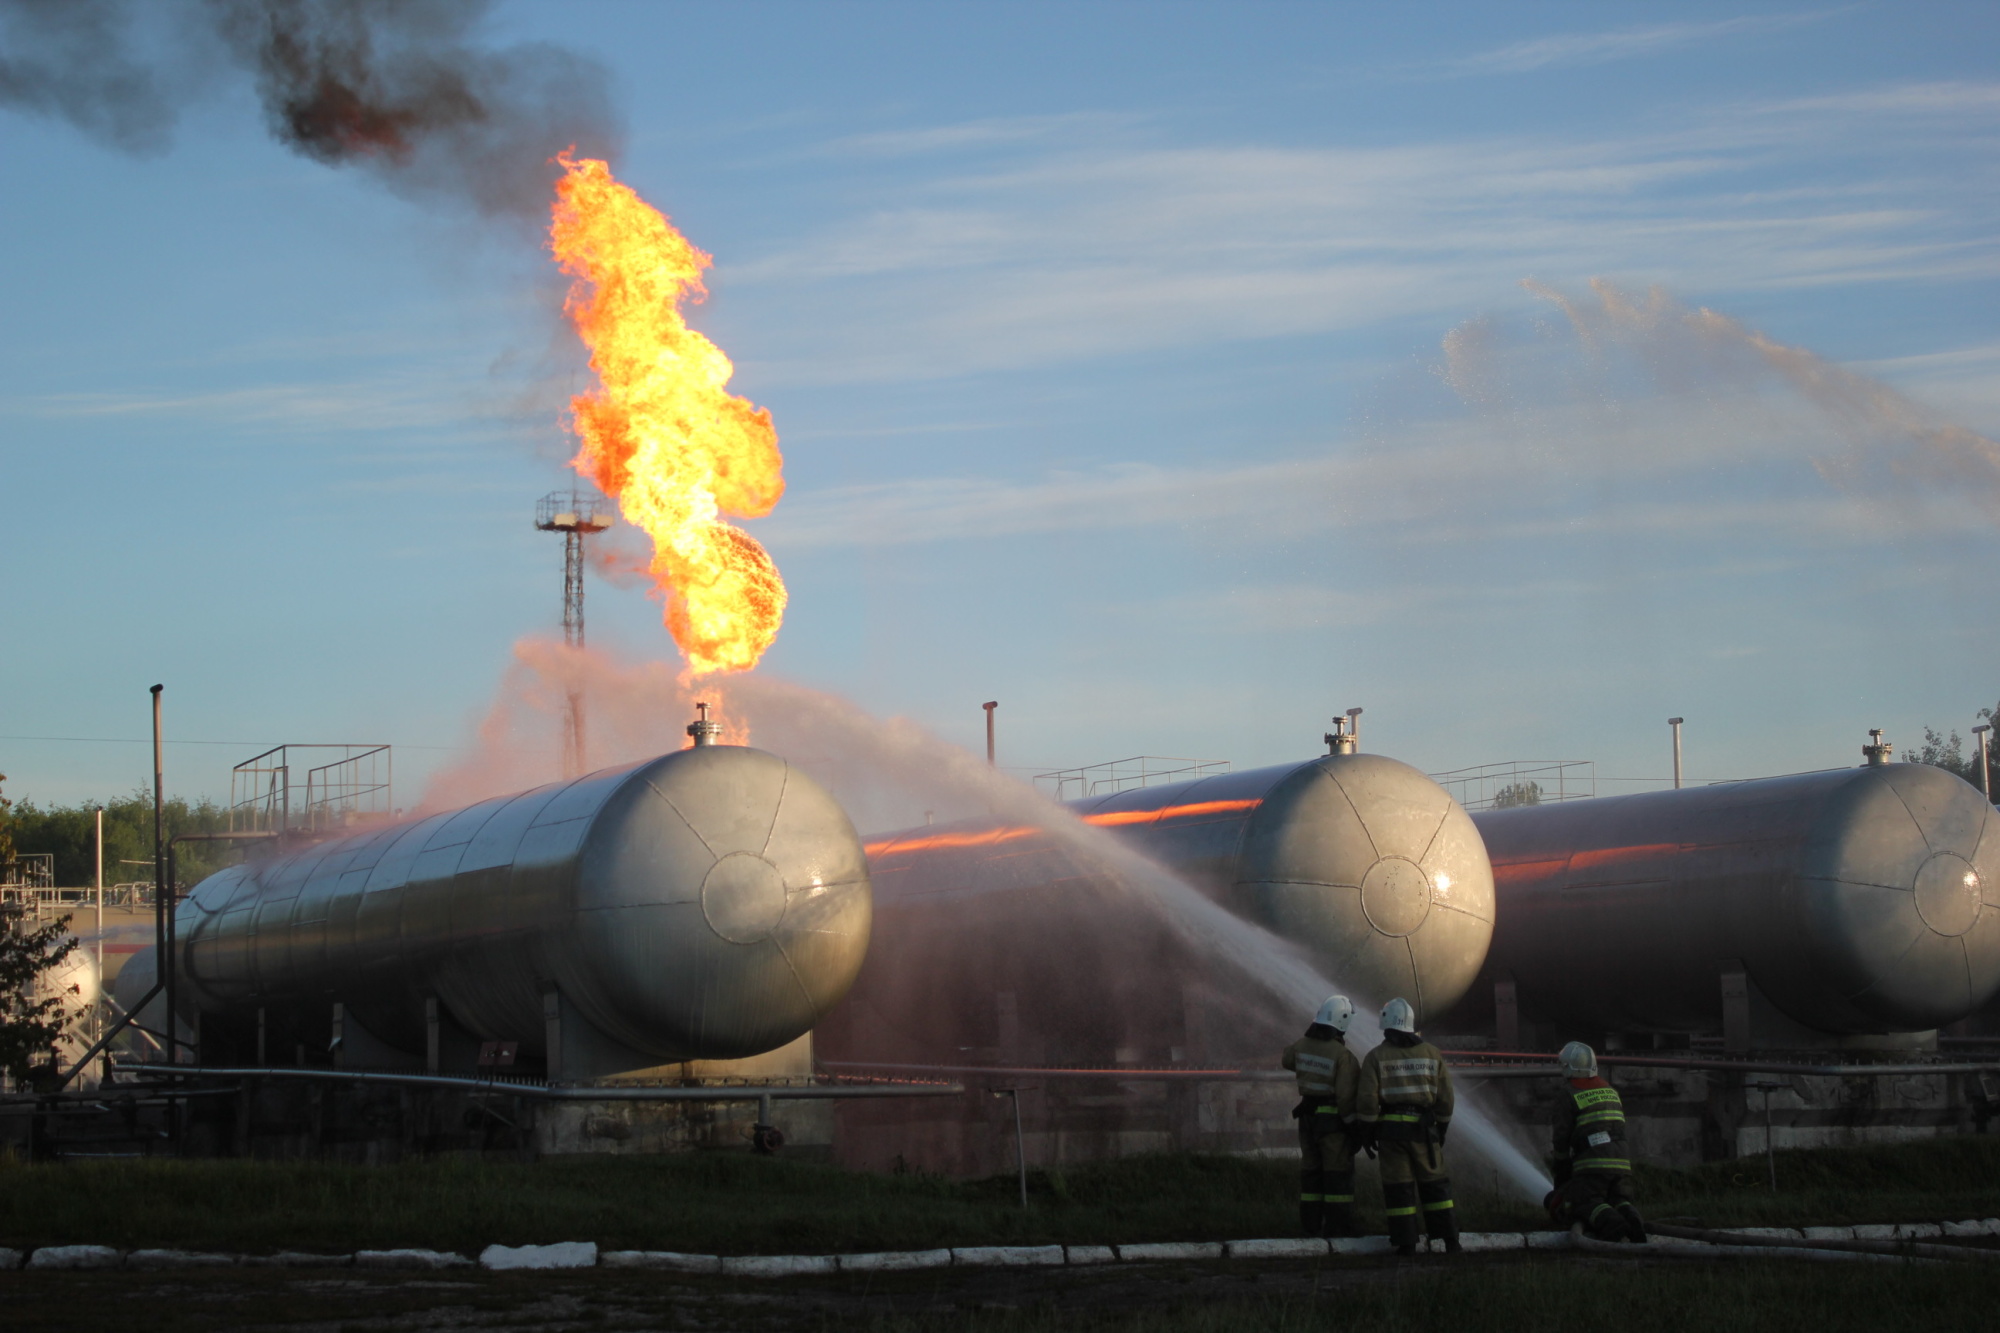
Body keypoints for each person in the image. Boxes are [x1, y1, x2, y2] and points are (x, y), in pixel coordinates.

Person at [1356, 997, 1459, 1255]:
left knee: (1399, 1188)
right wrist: (1442, 1126)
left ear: (1387, 1025)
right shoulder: (1432, 1054)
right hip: (1424, 1133)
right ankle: (1450, 1241)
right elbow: (1445, 1097)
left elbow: (1368, 1099)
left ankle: (1406, 1244)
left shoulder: (1376, 1057)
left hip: (1391, 1134)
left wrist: (1367, 1131)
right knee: (1435, 1185)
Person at [1543, 1041, 1646, 1242]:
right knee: (1618, 1199)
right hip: (1621, 1161)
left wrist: (1562, 1169)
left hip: (1594, 1162)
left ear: (1566, 1067)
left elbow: (1561, 1138)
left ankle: (1612, 1226)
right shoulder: (1610, 1090)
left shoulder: (1568, 1094)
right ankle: (1634, 1223)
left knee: (1583, 1202)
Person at [1281, 995, 1361, 1235]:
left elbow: (1287, 1060)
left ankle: (1311, 1227)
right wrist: (1354, 1128)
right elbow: (1346, 1097)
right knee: (1337, 1175)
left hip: (1307, 1120)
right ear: (1343, 1021)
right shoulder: (1343, 1056)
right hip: (1333, 1123)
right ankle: (1339, 1228)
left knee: (1311, 1173)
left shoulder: (1301, 1045)